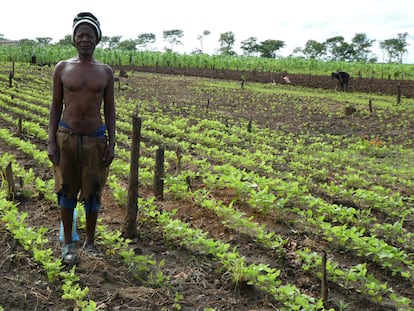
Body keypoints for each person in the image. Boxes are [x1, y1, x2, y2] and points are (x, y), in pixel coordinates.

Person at [47, 12, 115, 265]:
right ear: (74, 39)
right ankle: (68, 244)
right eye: (80, 35)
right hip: (67, 135)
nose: (85, 39)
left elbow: (109, 109)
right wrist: (51, 140)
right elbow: (55, 106)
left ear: (97, 39)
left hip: (95, 138)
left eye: (89, 35)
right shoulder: (62, 69)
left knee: (93, 191)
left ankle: (91, 242)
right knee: (66, 189)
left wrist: (112, 142)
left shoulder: (105, 72)